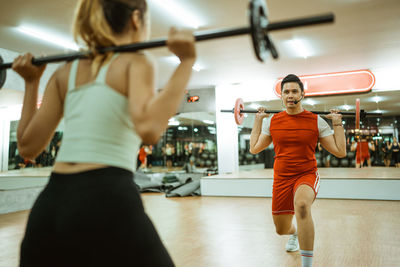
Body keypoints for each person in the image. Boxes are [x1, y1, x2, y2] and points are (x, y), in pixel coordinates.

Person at [12, 0, 196, 265]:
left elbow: (28, 146)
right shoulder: (136, 61)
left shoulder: (65, 72)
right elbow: (149, 130)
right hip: (106, 197)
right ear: (136, 19)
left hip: (50, 205)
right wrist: (186, 61)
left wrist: (32, 82)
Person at [249, 74, 346, 267]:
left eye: (294, 91)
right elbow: (254, 148)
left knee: (302, 205)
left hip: (306, 174)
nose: (290, 95)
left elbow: (340, 151)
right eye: (286, 92)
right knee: (281, 229)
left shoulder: (316, 121)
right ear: (281, 96)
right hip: (282, 178)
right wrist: (258, 121)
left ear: (303, 94)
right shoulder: (273, 121)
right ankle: (294, 233)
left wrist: (337, 123)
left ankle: (307, 264)